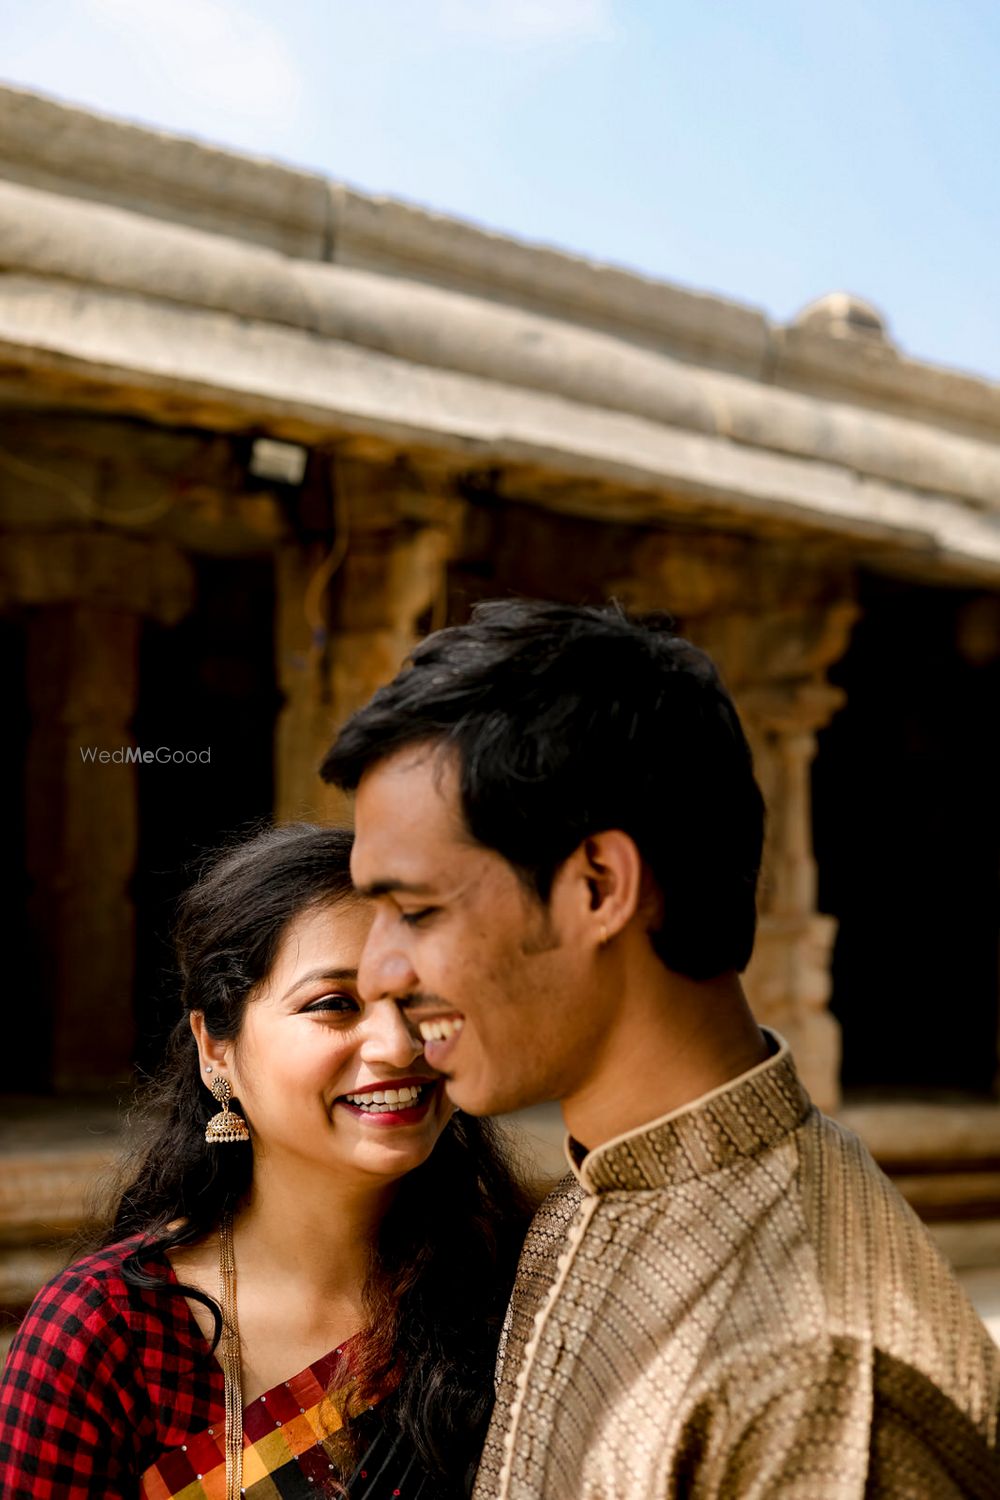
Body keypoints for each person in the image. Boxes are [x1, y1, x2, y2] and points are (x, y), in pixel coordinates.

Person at [321, 599, 1000, 1500]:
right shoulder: (592, 1191)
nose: (378, 970)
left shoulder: (814, 1381)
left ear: (598, 886)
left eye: (416, 911)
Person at [0, 823, 533, 1500]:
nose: (400, 1045)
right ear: (215, 1048)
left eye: (423, 998)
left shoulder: (517, 1289)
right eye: (335, 1004)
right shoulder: (104, 1337)